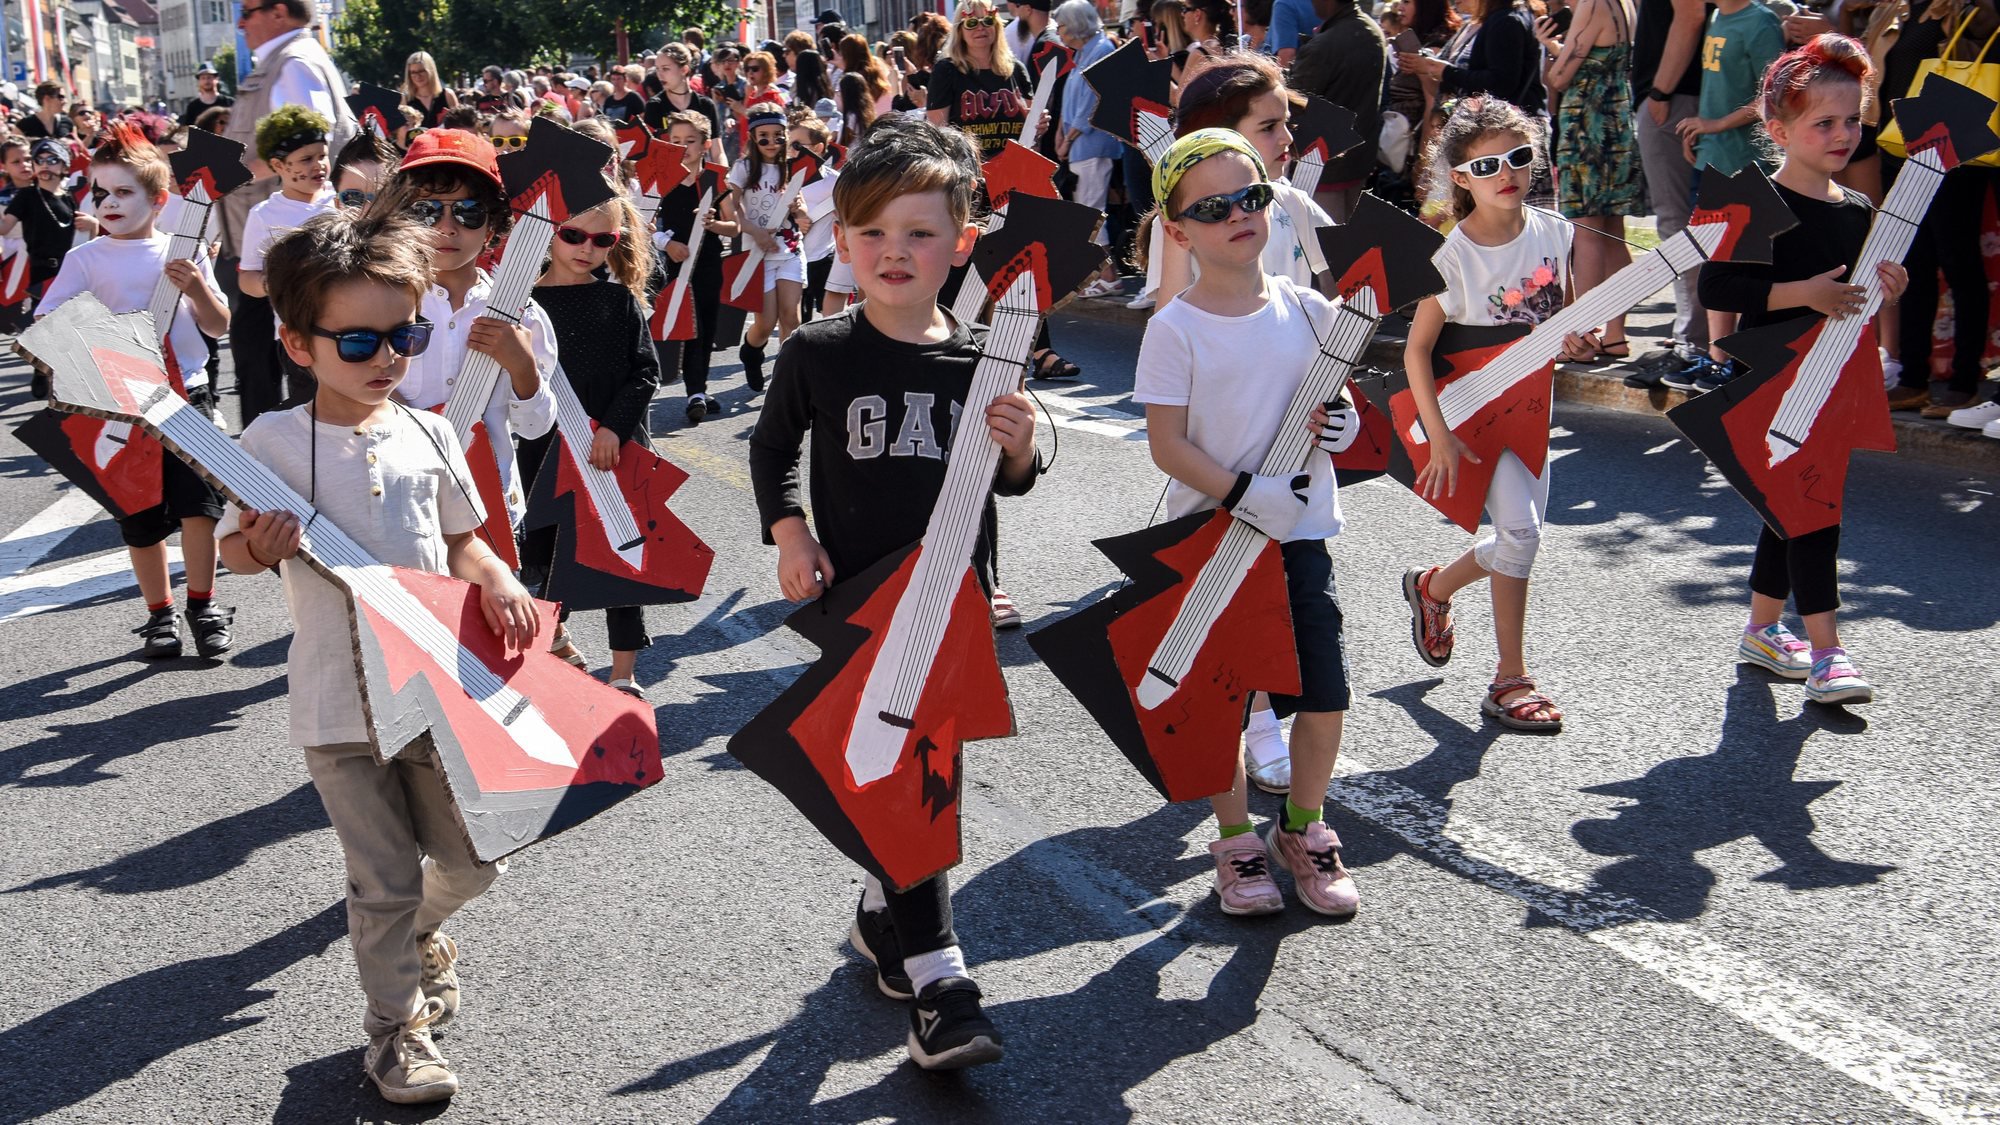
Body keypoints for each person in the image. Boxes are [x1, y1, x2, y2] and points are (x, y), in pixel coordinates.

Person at [218, 209, 534, 1104]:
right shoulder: (271, 442)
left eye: (405, 335)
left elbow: (464, 541)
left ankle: (425, 932)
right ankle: (397, 1031)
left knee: (478, 858)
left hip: (437, 691)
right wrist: (264, 545)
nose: (386, 357)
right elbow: (240, 552)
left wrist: (499, 578)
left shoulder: (429, 431)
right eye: (358, 339)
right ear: (296, 342)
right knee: (383, 878)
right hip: (336, 706)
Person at [746, 117, 1038, 1071]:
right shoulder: (819, 351)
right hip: (861, 606)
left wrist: (1027, 441)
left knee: (924, 772)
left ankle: (891, 916)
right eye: (871, 232)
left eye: (919, 232)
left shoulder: (988, 356)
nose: (894, 252)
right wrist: (790, 529)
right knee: (909, 773)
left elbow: (1019, 474)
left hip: (956, 608)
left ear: (962, 239)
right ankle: (944, 986)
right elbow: (771, 447)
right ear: (839, 236)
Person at [1132, 129, 1360, 917]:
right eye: (1214, 206)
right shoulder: (1175, 327)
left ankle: (1304, 825)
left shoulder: (1310, 309)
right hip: (1213, 542)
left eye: (1252, 197)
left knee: (1323, 692)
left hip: (1299, 536)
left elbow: (1341, 405)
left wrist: (1346, 426)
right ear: (1177, 227)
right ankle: (1234, 837)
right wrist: (1238, 491)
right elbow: (1167, 444)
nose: (1239, 215)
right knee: (1223, 699)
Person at [1698, 35, 1907, 704]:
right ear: (1779, 129)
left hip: (1835, 386)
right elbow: (1718, 288)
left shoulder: (1863, 211)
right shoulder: (1757, 202)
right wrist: (1802, 294)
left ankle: (1763, 629)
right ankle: (1827, 650)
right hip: (1773, 388)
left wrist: (1887, 286)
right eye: (1825, 122)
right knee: (1814, 512)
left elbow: (1854, 296)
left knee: (1791, 510)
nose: (1844, 134)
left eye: (1853, 120)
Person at [1400, 97, 1599, 732]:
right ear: (1461, 178)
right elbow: (1416, 351)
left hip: (1533, 407)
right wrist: (1439, 439)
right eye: (1488, 165)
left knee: (1520, 537)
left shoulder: (1555, 232)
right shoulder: (1450, 256)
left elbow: (1558, 323)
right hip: (1472, 412)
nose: (1507, 173)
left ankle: (1433, 588)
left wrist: (1579, 340)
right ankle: (1510, 679)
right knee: (1524, 535)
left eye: (1519, 158)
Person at [38, 132, 233, 659]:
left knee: (201, 508)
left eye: (123, 192)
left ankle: (203, 603)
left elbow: (218, 326)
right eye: (100, 193)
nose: (108, 204)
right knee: (139, 515)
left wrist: (194, 288)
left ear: (159, 200)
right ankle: (159, 614)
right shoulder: (86, 260)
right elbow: (45, 322)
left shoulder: (184, 251)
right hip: (119, 406)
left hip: (186, 398)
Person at [363, 129, 557, 536]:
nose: (447, 227)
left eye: (468, 211)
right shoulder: (373, 303)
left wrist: (522, 366)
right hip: (397, 498)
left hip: (490, 506)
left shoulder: (520, 313)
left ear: (492, 226)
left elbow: (535, 427)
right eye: (426, 211)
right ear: (399, 219)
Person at [519, 189, 659, 696]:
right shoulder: (522, 303)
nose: (586, 248)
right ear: (549, 231)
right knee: (546, 554)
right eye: (573, 234)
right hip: (543, 452)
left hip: (613, 455)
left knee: (621, 559)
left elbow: (646, 373)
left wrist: (613, 429)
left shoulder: (618, 300)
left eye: (603, 240)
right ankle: (555, 640)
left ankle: (625, 676)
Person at [1660, 0, 1784, 391]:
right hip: (1713, 159)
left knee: (1741, 266)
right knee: (1715, 264)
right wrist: (1702, 134)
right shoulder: (1717, 15)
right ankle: (1718, 361)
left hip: (1747, 163)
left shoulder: (1761, 21)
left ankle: (1740, 362)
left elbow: (1774, 97)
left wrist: (1714, 125)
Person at [1535, 0, 1643, 360]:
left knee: (1588, 234)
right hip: (1616, 121)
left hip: (1588, 128)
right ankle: (1615, 334)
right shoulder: (1622, 3)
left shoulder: (1593, 4)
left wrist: (1549, 45)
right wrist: (1558, 46)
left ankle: (1582, 335)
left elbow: (1559, 76)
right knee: (1612, 234)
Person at [218, 0, 356, 269]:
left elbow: (309, 147)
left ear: (279, 13)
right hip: (282, 239)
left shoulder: (294, 64)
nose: (240, 24)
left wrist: (226, 180)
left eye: (246, 13)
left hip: (287, 244)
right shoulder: (289, 60)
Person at [1626, 0, 1714, 378]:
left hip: (1675, 98)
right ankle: (1694, 335)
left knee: (1679, 225)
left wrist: (1660, 93)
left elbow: (1691, 14)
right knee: (1685, 224)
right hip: (1680, 96)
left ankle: (1693, 342)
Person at [237, 106, 337, 425]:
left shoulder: (341, 200)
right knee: (313, 417)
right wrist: (278, 282)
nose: (319, 165)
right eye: (306, 159)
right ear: (279, 165)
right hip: (299, 336)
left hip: (350, 328)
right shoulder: (265, 215)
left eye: (322, 155)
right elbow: (247, 278)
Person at [656, 110, 738, 423]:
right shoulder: (662, 179)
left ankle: (699, 389)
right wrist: (667, 243)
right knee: (692, 330)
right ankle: (694, 393)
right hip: (676, 264)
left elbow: (735, 226)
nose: (683, 146)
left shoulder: (715, 179)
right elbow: (645, 224)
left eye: (690, 140)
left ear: (704, 144)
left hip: (708, 264)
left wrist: (715, 224)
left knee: (707, 327)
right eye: (676, 140)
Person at [731, 107, 811, 392]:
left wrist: (799, 210)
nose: (771, 143)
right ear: (753, 138)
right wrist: (753, 231)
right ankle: (751, 353)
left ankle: (785, 379)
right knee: (766, 323)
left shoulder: (791, 168)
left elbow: (801, 206)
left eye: (778, 136)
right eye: (763, 137)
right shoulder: (743, 168)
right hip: (757, 254)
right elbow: (733, 205)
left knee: (792, 317)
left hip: (788, 249)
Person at [1291, 0, 1389, 222]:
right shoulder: (1371, 31)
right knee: (1345, 245)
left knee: (1319, 242)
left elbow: (1294, 100)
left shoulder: (1326, 45)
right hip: (1358, 160)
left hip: (1322, 164)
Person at [1054, 0, 1123, 296]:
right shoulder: (1085, 52)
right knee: (1088, 213)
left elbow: (1093, 102)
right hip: (1081, 144)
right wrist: (1063, 134)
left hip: (1091, 144)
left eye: (1062, 26)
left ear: (1075, 24)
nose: (1058, 32)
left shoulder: (1100, 50)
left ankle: (1109, 276)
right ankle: (1101, 275)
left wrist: (1067, 138)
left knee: (1092, 214)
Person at [926, 0, 1032, 161]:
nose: (980, 27)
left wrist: (1039, 123)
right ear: (960, 30)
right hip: (970, 174)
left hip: (1015, 170)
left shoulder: (1016, 69)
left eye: (988, 21)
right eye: (972, 22)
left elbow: (1032, 128)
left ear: (996, 26)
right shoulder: (946, 70)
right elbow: (938, 132)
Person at [0, 140, 93, 303]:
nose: (44, 165)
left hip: (69, 270)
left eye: (52, 160)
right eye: (39, 160)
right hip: (38, 271)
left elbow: (82, 236)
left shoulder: (69, 196)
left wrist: (94, 226)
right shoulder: (26, 196)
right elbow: (4, 228)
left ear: (65, 167)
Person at [645, 43, 727, 165]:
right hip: (668, 177)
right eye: (657, 69)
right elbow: (650, 152)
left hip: (699, 177)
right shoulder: (655, 105)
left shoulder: (705, 104)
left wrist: (722, 178)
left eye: (665, 68)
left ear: (684, 69)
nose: (660, 74)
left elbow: (717, 151)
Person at [836, 33, 892, 146]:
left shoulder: (851, 81)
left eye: (842, 54)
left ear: (847, 56)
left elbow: (838, 107)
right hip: (886, 131)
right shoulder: (881, 72)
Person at [403, 50, 458, 128]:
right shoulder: (406, 99)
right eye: (413, 72)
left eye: (421, 71)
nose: (418, 76)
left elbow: (460, 127)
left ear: (431, 70)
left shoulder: (447, 95)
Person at [180, 62, 234, 128]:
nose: (206, 81)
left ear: (216, 79)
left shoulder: (229, 102)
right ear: (199, 81)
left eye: (209, 77)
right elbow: (189, 130)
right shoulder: (193, 106)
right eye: (203, 78)